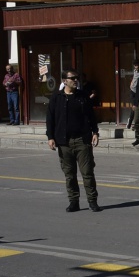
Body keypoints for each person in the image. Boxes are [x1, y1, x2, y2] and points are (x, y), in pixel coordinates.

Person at [46, 70, 100, 212]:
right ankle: (74, 201)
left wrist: (95, 132)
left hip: (82, 140)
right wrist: (50, 137)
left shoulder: (82, 96)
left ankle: (92, 201)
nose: (75, 80)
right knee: (69, 175)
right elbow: (50, 118)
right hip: (64, 142)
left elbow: (91, 115)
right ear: (64, 81)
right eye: (72, 78)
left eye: (77, 78)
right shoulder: (56, 97)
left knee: (87, 173)